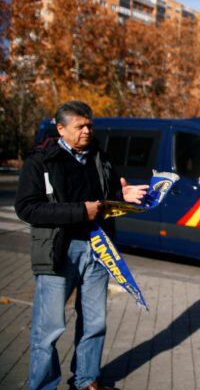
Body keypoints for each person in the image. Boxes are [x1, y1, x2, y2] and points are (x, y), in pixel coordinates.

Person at [15, 101, 148, 390]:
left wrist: (121, 192)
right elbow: (27, 208)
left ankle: (87, 380)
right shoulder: (41, 161)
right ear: (61, 129)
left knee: (94, 322)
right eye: (80, 126)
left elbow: (108, 193)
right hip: (58, 250)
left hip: (98, 248)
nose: (87, 130)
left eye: (90, 125)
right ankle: (42, 385)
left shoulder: (100, 156)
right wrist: (79, 212)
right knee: (49, 328)